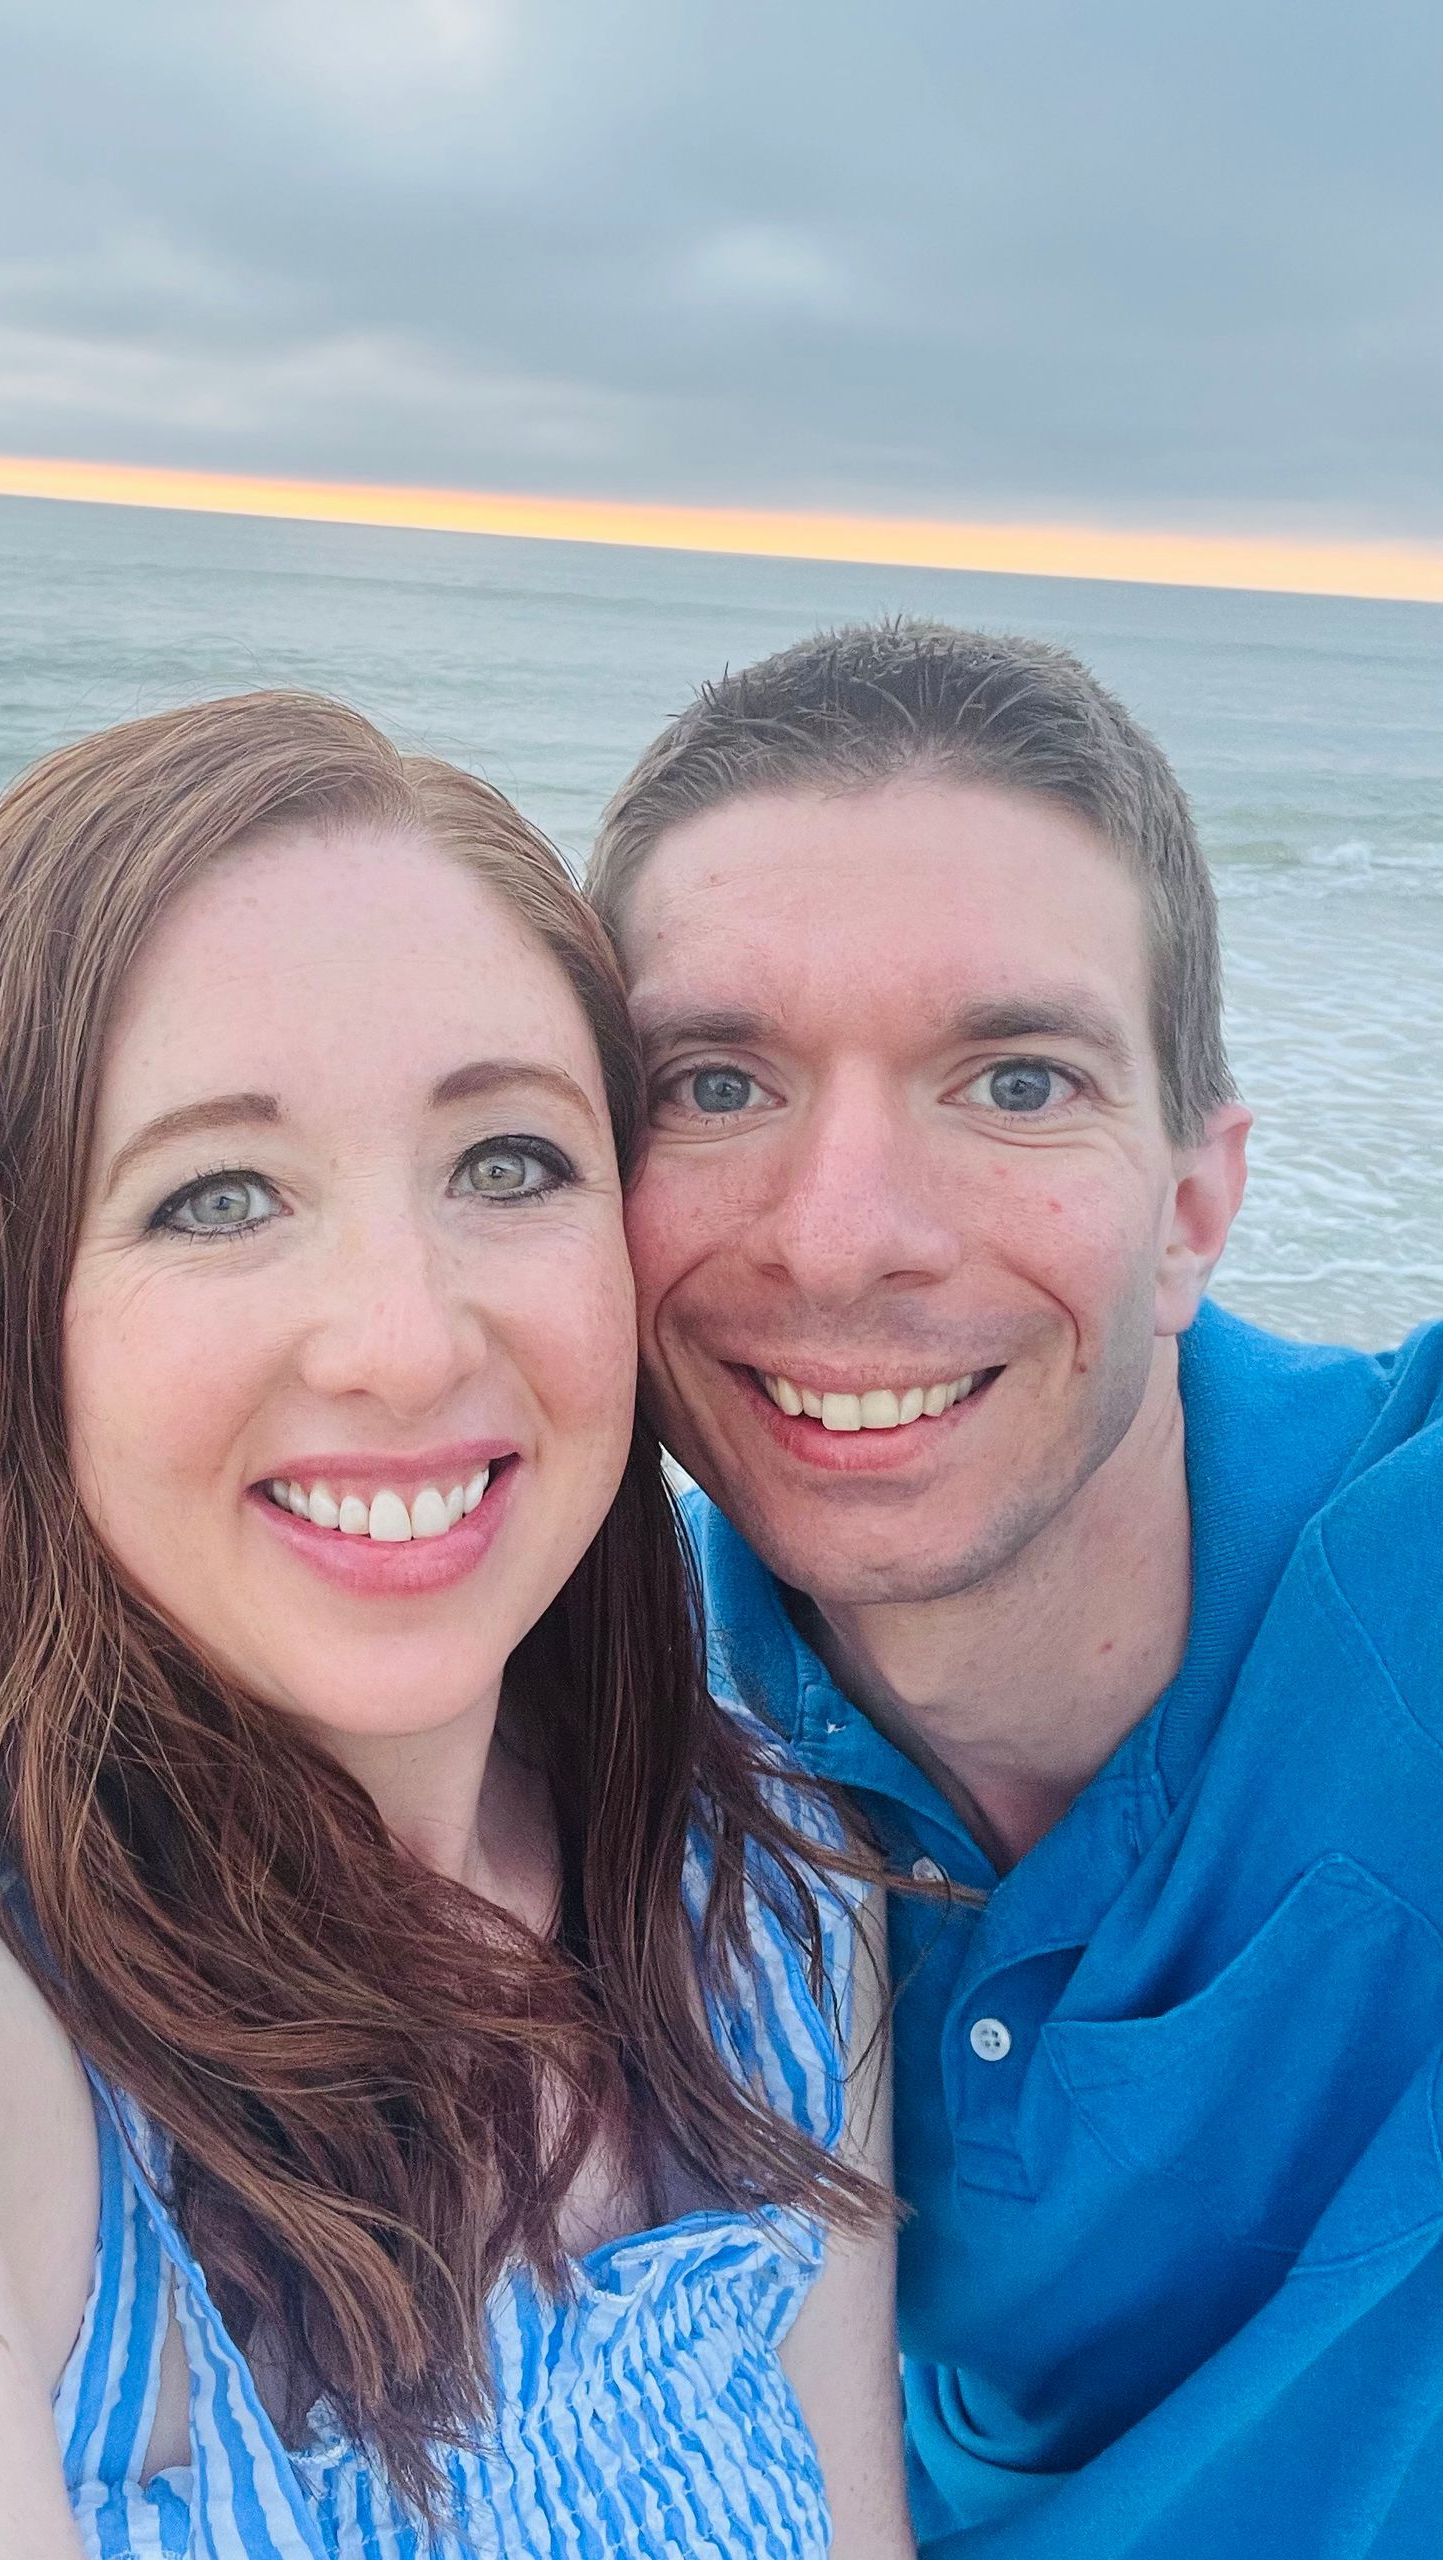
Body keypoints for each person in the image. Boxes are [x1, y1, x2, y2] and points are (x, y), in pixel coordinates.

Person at [0, 693, 914, 2560]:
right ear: (1, 1321)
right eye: (218, 1197)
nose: (404, 1339)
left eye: (507, 1162)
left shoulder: (763, 1919)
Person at [586, 618, 1443, 2560]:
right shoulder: (585, 1742)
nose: (846, 1231)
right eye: (717, 1083)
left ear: (1193, 1210)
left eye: (1019, 1077)